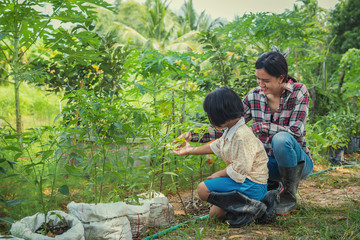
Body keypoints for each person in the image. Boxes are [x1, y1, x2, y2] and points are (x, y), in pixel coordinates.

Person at [177, 51, 313, 215]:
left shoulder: (299, 92)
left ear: (281, 78)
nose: (261, 84)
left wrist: (261, 127)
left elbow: (296, 132)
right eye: (258, 79)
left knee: (281, 139)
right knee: (244, 161)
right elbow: (230, 121)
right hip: (267, 164)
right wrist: (193, 135)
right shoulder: (254, 96)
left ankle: (288, 196)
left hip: (297, 162)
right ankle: (267, 191)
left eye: (266, 81)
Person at [173, 87, 274, 227]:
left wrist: (218, 174)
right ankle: (249, 209)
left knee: (203, 189)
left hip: (252, 184)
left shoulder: (242, 136)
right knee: (215, 214)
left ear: (222, 114)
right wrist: (190, 150)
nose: (210, 119)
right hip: (245, 182)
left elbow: (241, 168)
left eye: (211, 115)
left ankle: (253, 206)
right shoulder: (231, 131)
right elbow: (216, 145)